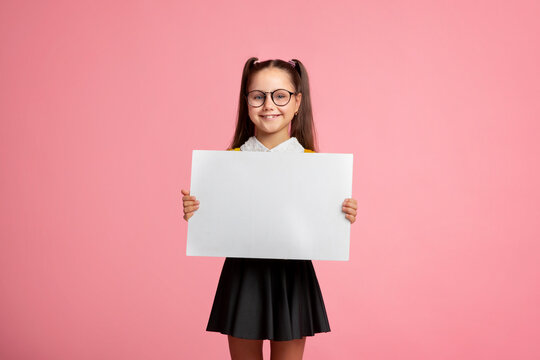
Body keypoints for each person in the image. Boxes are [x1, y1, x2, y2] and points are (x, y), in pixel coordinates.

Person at [181, 57, 358, 360]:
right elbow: (215, 221)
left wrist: (341, 214)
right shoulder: (227, 162)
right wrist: (197, 210)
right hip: (243, 274)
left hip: (293, 276)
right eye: (258, 96)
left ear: (297, 102)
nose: (268, 105)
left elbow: (316, 227)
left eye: (280, 95)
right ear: (246, 101)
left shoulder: (316, 166)